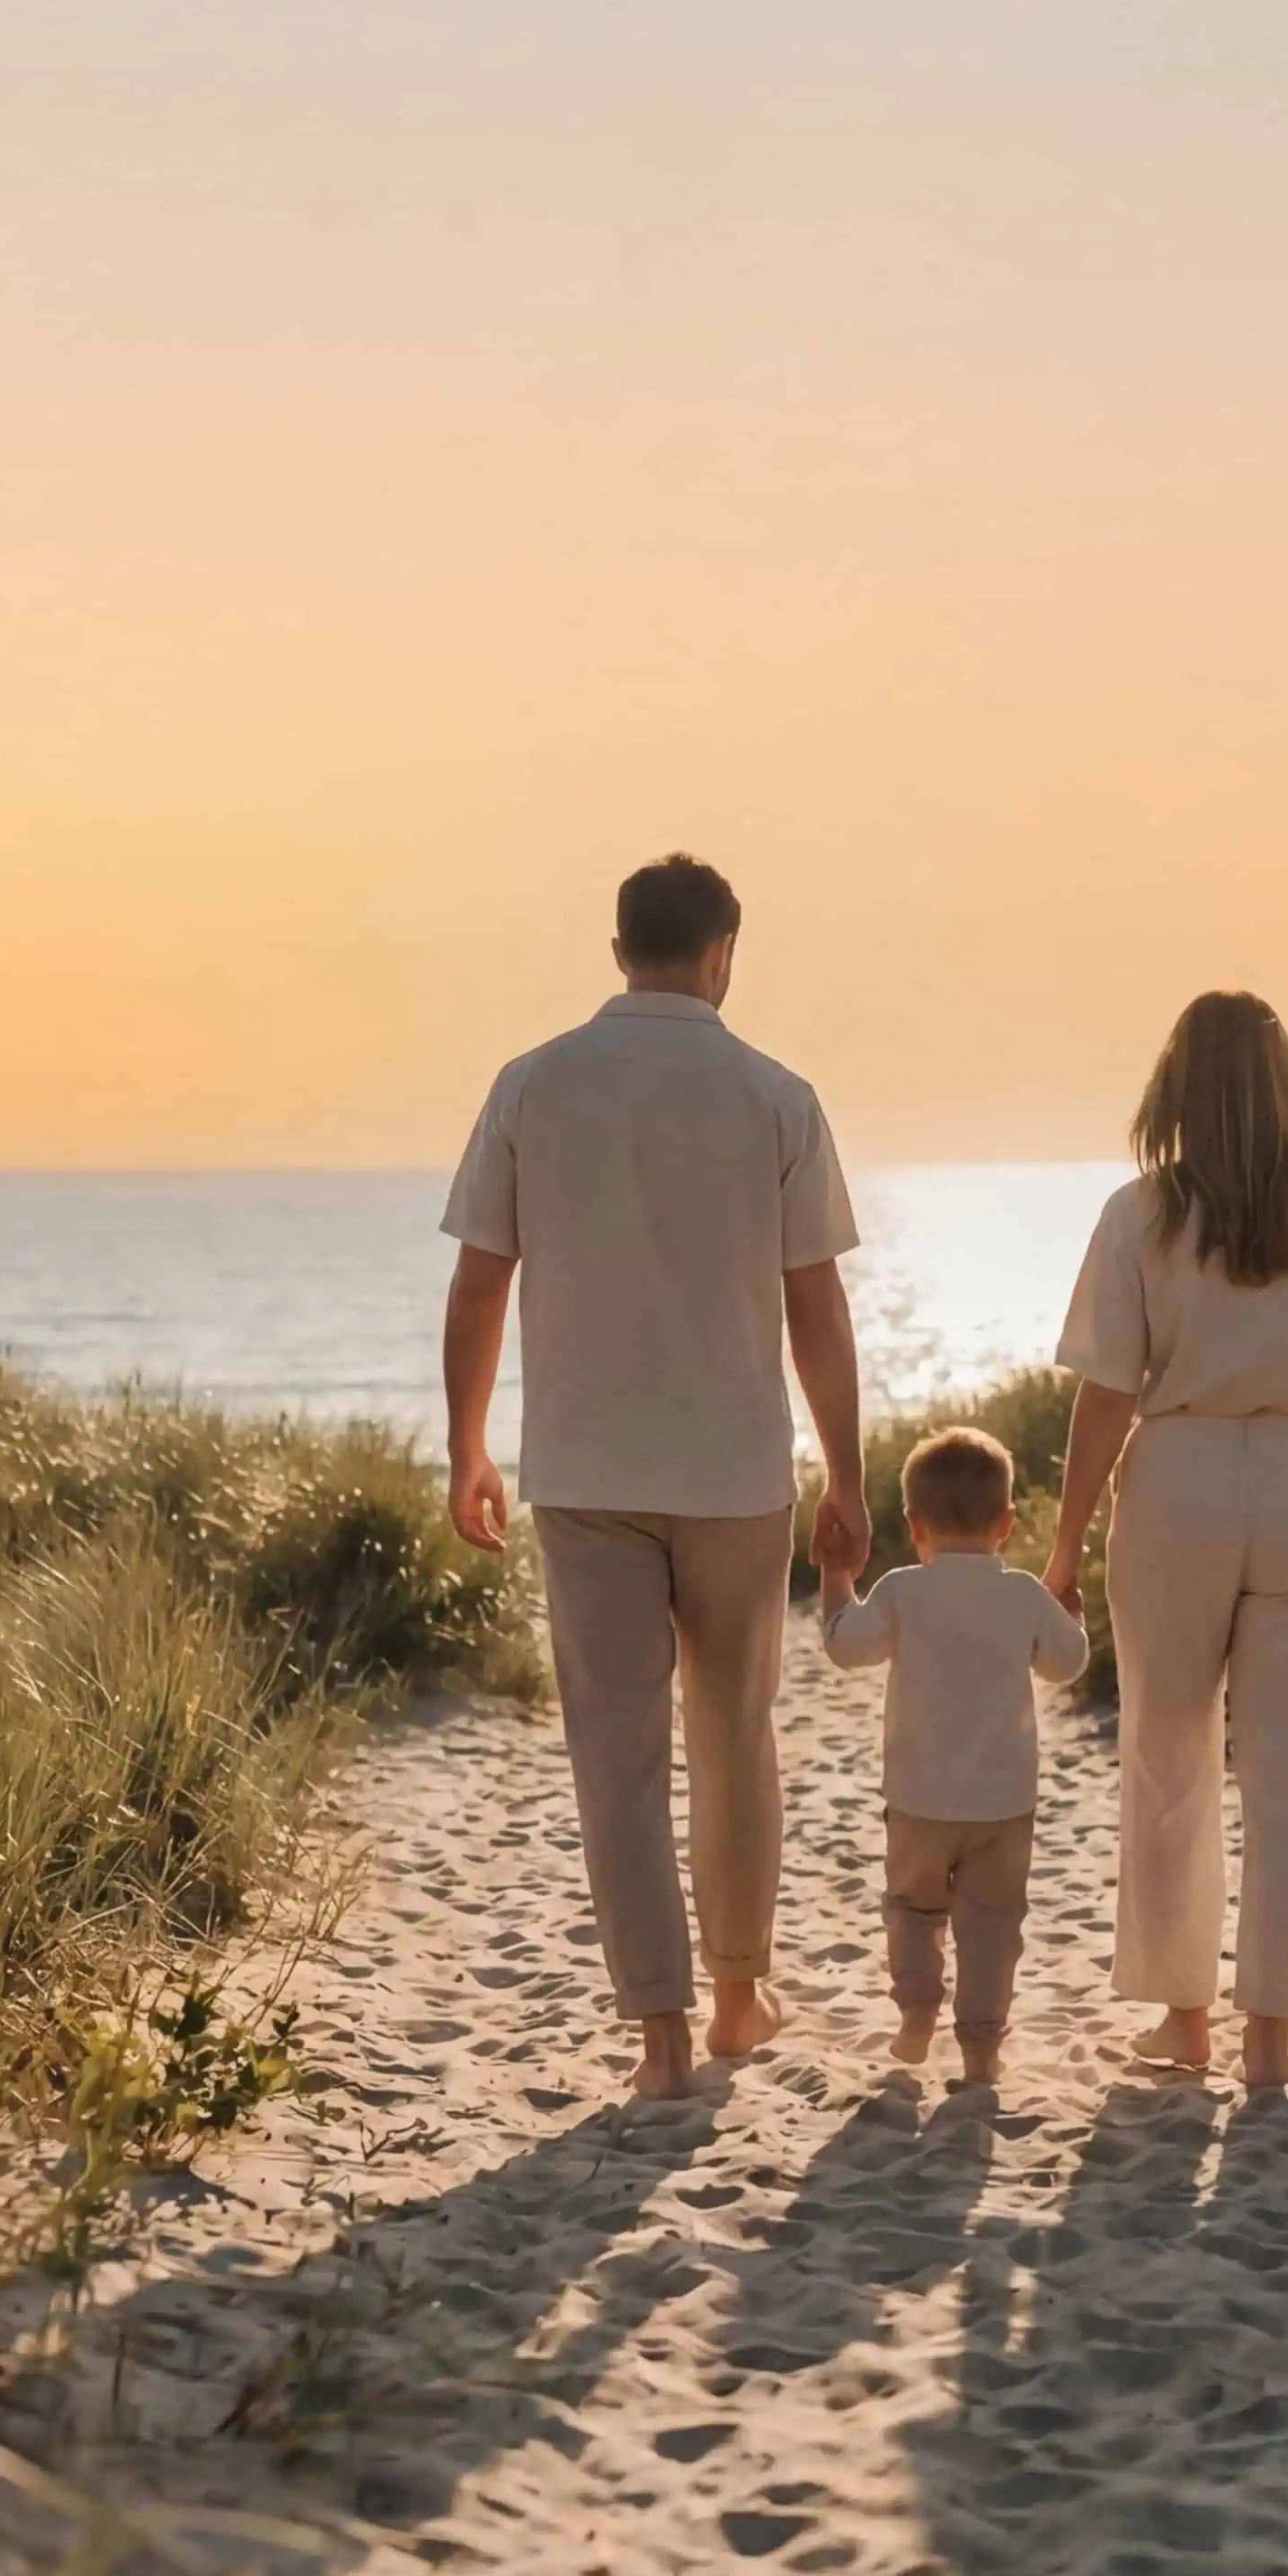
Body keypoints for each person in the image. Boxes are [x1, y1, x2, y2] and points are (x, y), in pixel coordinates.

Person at [439, 853, 870, 2104]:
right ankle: (740, 1996)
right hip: (736, 1469)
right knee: (733, 1738)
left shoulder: (533, 1086)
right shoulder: (774, 1095)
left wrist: (469, 1446)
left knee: (616, 1755)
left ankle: (662, 2038)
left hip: (585, 1466)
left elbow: (480, 1281)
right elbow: (817, 1305)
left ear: (618, 948)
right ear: (724, 950)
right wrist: (846, 1472)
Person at [1040, 994, 1288, 2097]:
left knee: (1170, 1754)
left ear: (1175, 1083)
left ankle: (1186, 2014)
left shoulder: (1141, 1214)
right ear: (1283, 1080)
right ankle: (1274, 2034)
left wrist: (1065, 1544)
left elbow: (1106, 1397)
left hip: (1180, 1483)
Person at [819, 1425, 1089, 2092]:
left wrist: (834, 1578)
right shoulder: (1025, 1593)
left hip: (917, 1800)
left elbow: (844, 1646)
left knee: (912, 1908)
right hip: (1004, 1805)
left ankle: (916, 2012)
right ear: (1006, 1523)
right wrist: (1072, 1618)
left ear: (914, 1524)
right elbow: (1067, 1664)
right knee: (993, 1926)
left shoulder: (902, 1591)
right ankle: (980, 2051)